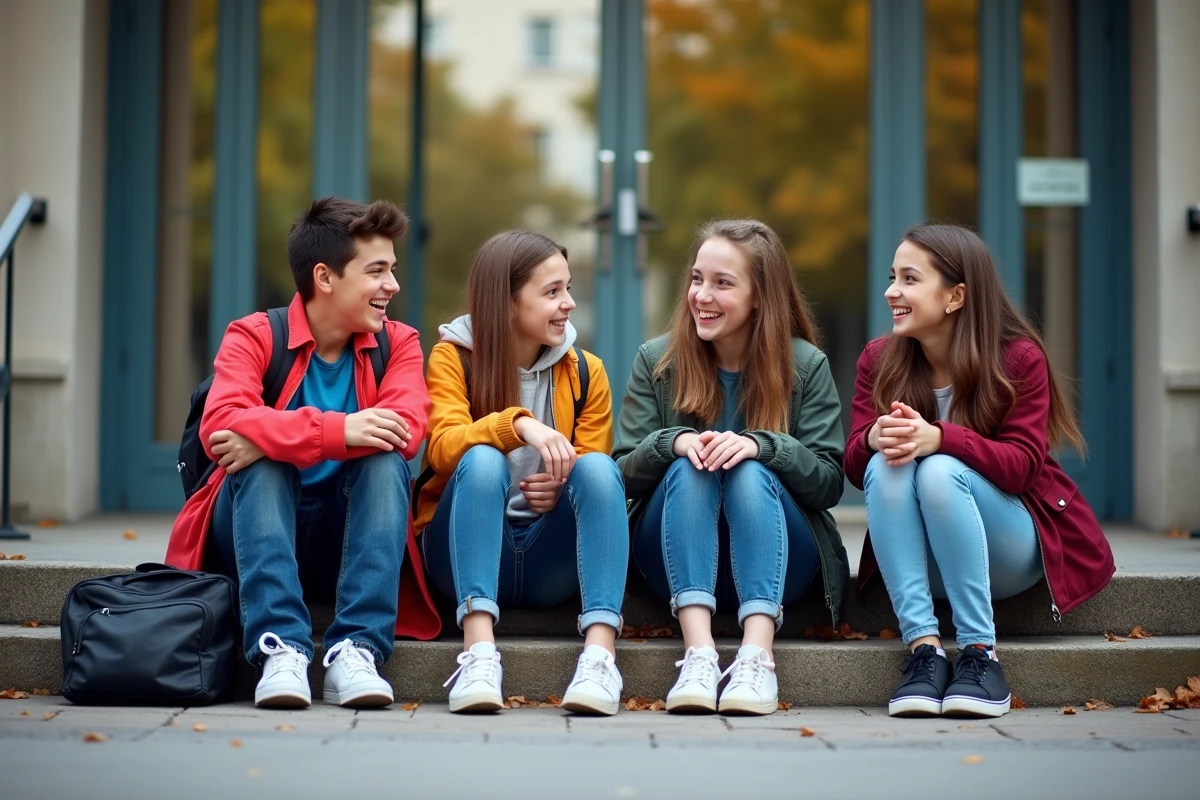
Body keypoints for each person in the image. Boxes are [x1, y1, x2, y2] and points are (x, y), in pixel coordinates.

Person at [166, 197, 437, 709]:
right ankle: (280, 649)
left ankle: (356, 650)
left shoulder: (398, 343)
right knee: (261, 464)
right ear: (325, 277)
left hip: (346, 536)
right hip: (251, 531)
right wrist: (342, 430)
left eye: (393, 270)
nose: (393, 286)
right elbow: (221, 424)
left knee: (382, 460)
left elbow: (405, 431)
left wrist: (270, 430)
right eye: (377, 271)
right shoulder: (254, 335)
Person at [844, 223, 1114, 719]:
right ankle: (924, 652)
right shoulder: (879, 360)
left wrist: (941, 437)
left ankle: (979, 656)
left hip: (1008, 552)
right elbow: (856, 469)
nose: (891, 291)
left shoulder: (1016, 359)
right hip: (921, 560)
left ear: (955, 296)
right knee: (889, 466)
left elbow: (1022, 468)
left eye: (908, 279)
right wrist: (871, 440)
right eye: (892, 277)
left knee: (939, 471)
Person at [613, 219, 849, 716]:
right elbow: (620, 475)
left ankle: (756, 655)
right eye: (698, 279)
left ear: (762, 296)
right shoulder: (659, 360)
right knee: (691, 462)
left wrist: (763, 447)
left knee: (748, 466)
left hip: (783, 561)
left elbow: (829, 482)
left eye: (723, 283)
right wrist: (671, 443)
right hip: (673, 559)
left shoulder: (805, 365)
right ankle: (698, 655)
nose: (702, 295)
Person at [415, 230, 629, 715]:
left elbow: (591, 473)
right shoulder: (453, 358)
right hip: (459, 557)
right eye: (552, 292)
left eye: (568, 288)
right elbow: (444, 446)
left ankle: (599, 656)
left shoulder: (587, 372)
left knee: (598, 469)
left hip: (548, 558)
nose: (569, 303)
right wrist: (518, 425)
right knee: (482, 459)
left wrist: (561, 487)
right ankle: (477, 653)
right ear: (507, 302)